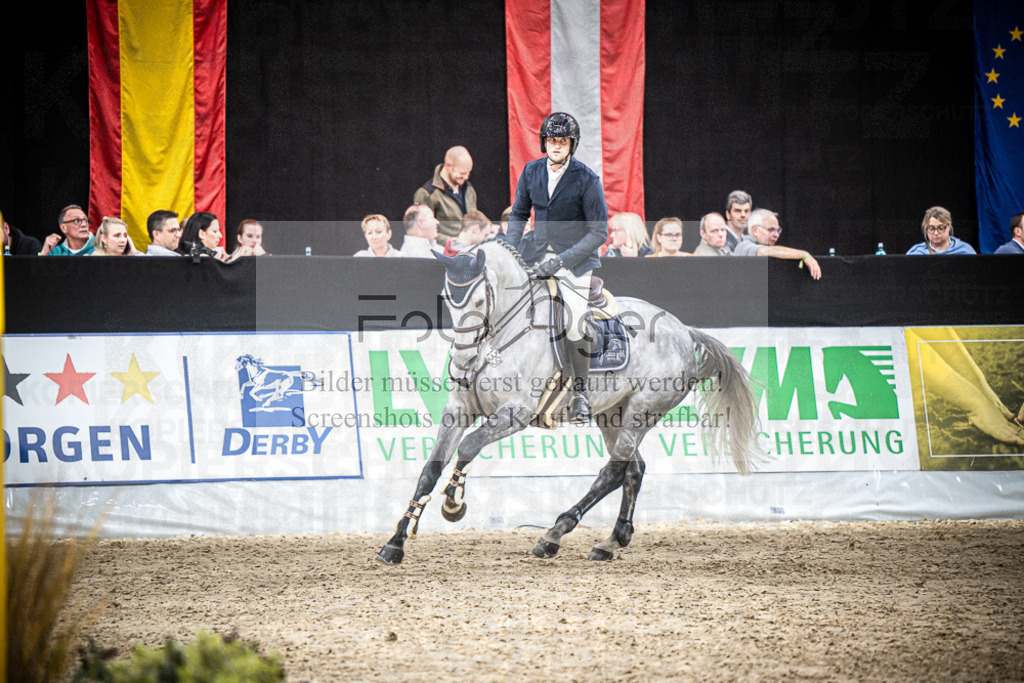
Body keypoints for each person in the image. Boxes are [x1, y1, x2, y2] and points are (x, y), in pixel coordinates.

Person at [507, 112, 608, 423]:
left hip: (574, 260)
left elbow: (599, 232)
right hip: (536, 250)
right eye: (552, 140)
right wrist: (510, 248)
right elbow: (519, 214)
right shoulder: (531, 171)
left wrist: (562, 262)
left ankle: (580, 394)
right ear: (544, 142)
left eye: (562, 141)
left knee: (575, 318)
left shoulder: (587, 179)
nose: (556, 146)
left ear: (571, 144)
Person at [413, 145, 477, 244]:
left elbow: (475, 217)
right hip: (444, 253)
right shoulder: (427, 194)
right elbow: (421, 231)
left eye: (469, 172)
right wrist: (450, 241)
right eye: (462, 173)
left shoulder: (468, 188)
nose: (466, 177)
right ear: (448, 165)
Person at [734, 208, 822, 279]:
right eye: (771, 229)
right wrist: (804, 255)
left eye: (778, 230)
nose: (776, 235)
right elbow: (763, 251)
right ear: (755, 230)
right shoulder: (742, 246)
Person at [906, 207, 977, 255]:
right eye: (931, 228)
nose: (936, 233)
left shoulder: (965, 250)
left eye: (941, 228)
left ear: (948, 227)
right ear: (926, 229)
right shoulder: (916, 252)